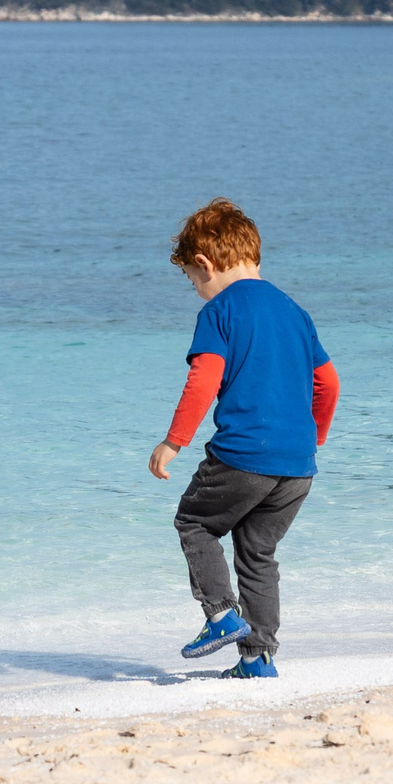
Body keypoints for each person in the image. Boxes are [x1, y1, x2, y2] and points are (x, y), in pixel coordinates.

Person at [147, 198, 339, 679]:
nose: (197, 290)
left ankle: (219, 615)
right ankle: (257, 659)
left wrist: (174, 442)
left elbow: (205, 380)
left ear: (205, 264)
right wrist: (311, 437)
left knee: (194, 522)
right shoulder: (294, 310)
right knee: (257, 553)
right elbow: (329, 383)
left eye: (193, 280)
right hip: (297, 467)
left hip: (242, 458)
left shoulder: (221, 311)